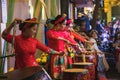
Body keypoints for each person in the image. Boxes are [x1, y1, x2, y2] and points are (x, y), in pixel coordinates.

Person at [46, 15, 76, 79]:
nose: (65, 26)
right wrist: (64, 40)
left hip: (64, 56)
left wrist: (78, 47)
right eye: (64, 24)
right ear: (58, 24)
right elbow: (55, 37)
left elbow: (72, 41)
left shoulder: (64, 32)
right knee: (56, 76)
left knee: (65, 75)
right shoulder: (50, 32)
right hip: (55, 56)